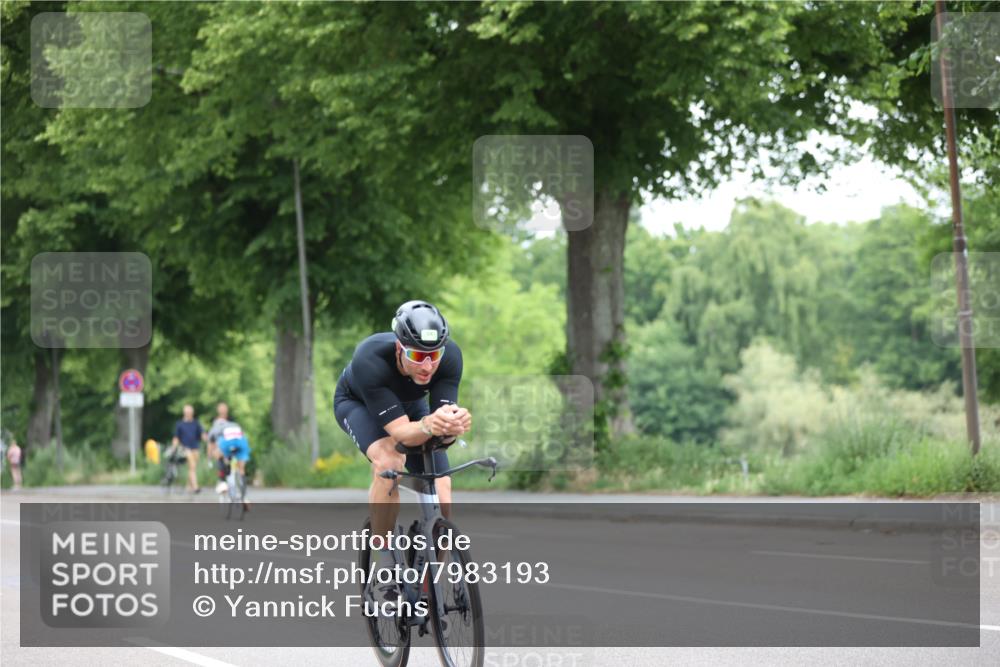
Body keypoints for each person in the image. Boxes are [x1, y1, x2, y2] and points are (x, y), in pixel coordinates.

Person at [334, 300, 472, 595]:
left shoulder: (449, 358)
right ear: (399, 348)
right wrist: (429, 426)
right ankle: (384, 567)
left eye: (433, 355)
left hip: (412, 407)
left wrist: (451, 428)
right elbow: (400, 435)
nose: (427, 366)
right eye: (418, 355)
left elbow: (440, 439)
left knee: (443, 487)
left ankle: (429, 585)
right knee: (389, 462)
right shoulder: (369, 359)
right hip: (359, 404)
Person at [215, 420, 251, 511]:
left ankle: (223, 481)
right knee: (241, 468)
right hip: (241, 442)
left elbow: (214, 445)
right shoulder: (235, 424)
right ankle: (244, 497)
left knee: (221, 457)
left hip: (226, 443)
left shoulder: (216, 429)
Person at [173, 404, 204, 493]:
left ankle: (188, 486)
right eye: (187, 412)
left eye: (190, 412)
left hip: (195, 447)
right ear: (184, 413)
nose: (189, 413)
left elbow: (201, 434)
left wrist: (206, 438)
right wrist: (174, 448)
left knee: (192, 468)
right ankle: (195, 487)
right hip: (185, 448)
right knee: (192, 465)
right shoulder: (180, 424)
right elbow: (176, 437)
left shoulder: (196, 423)